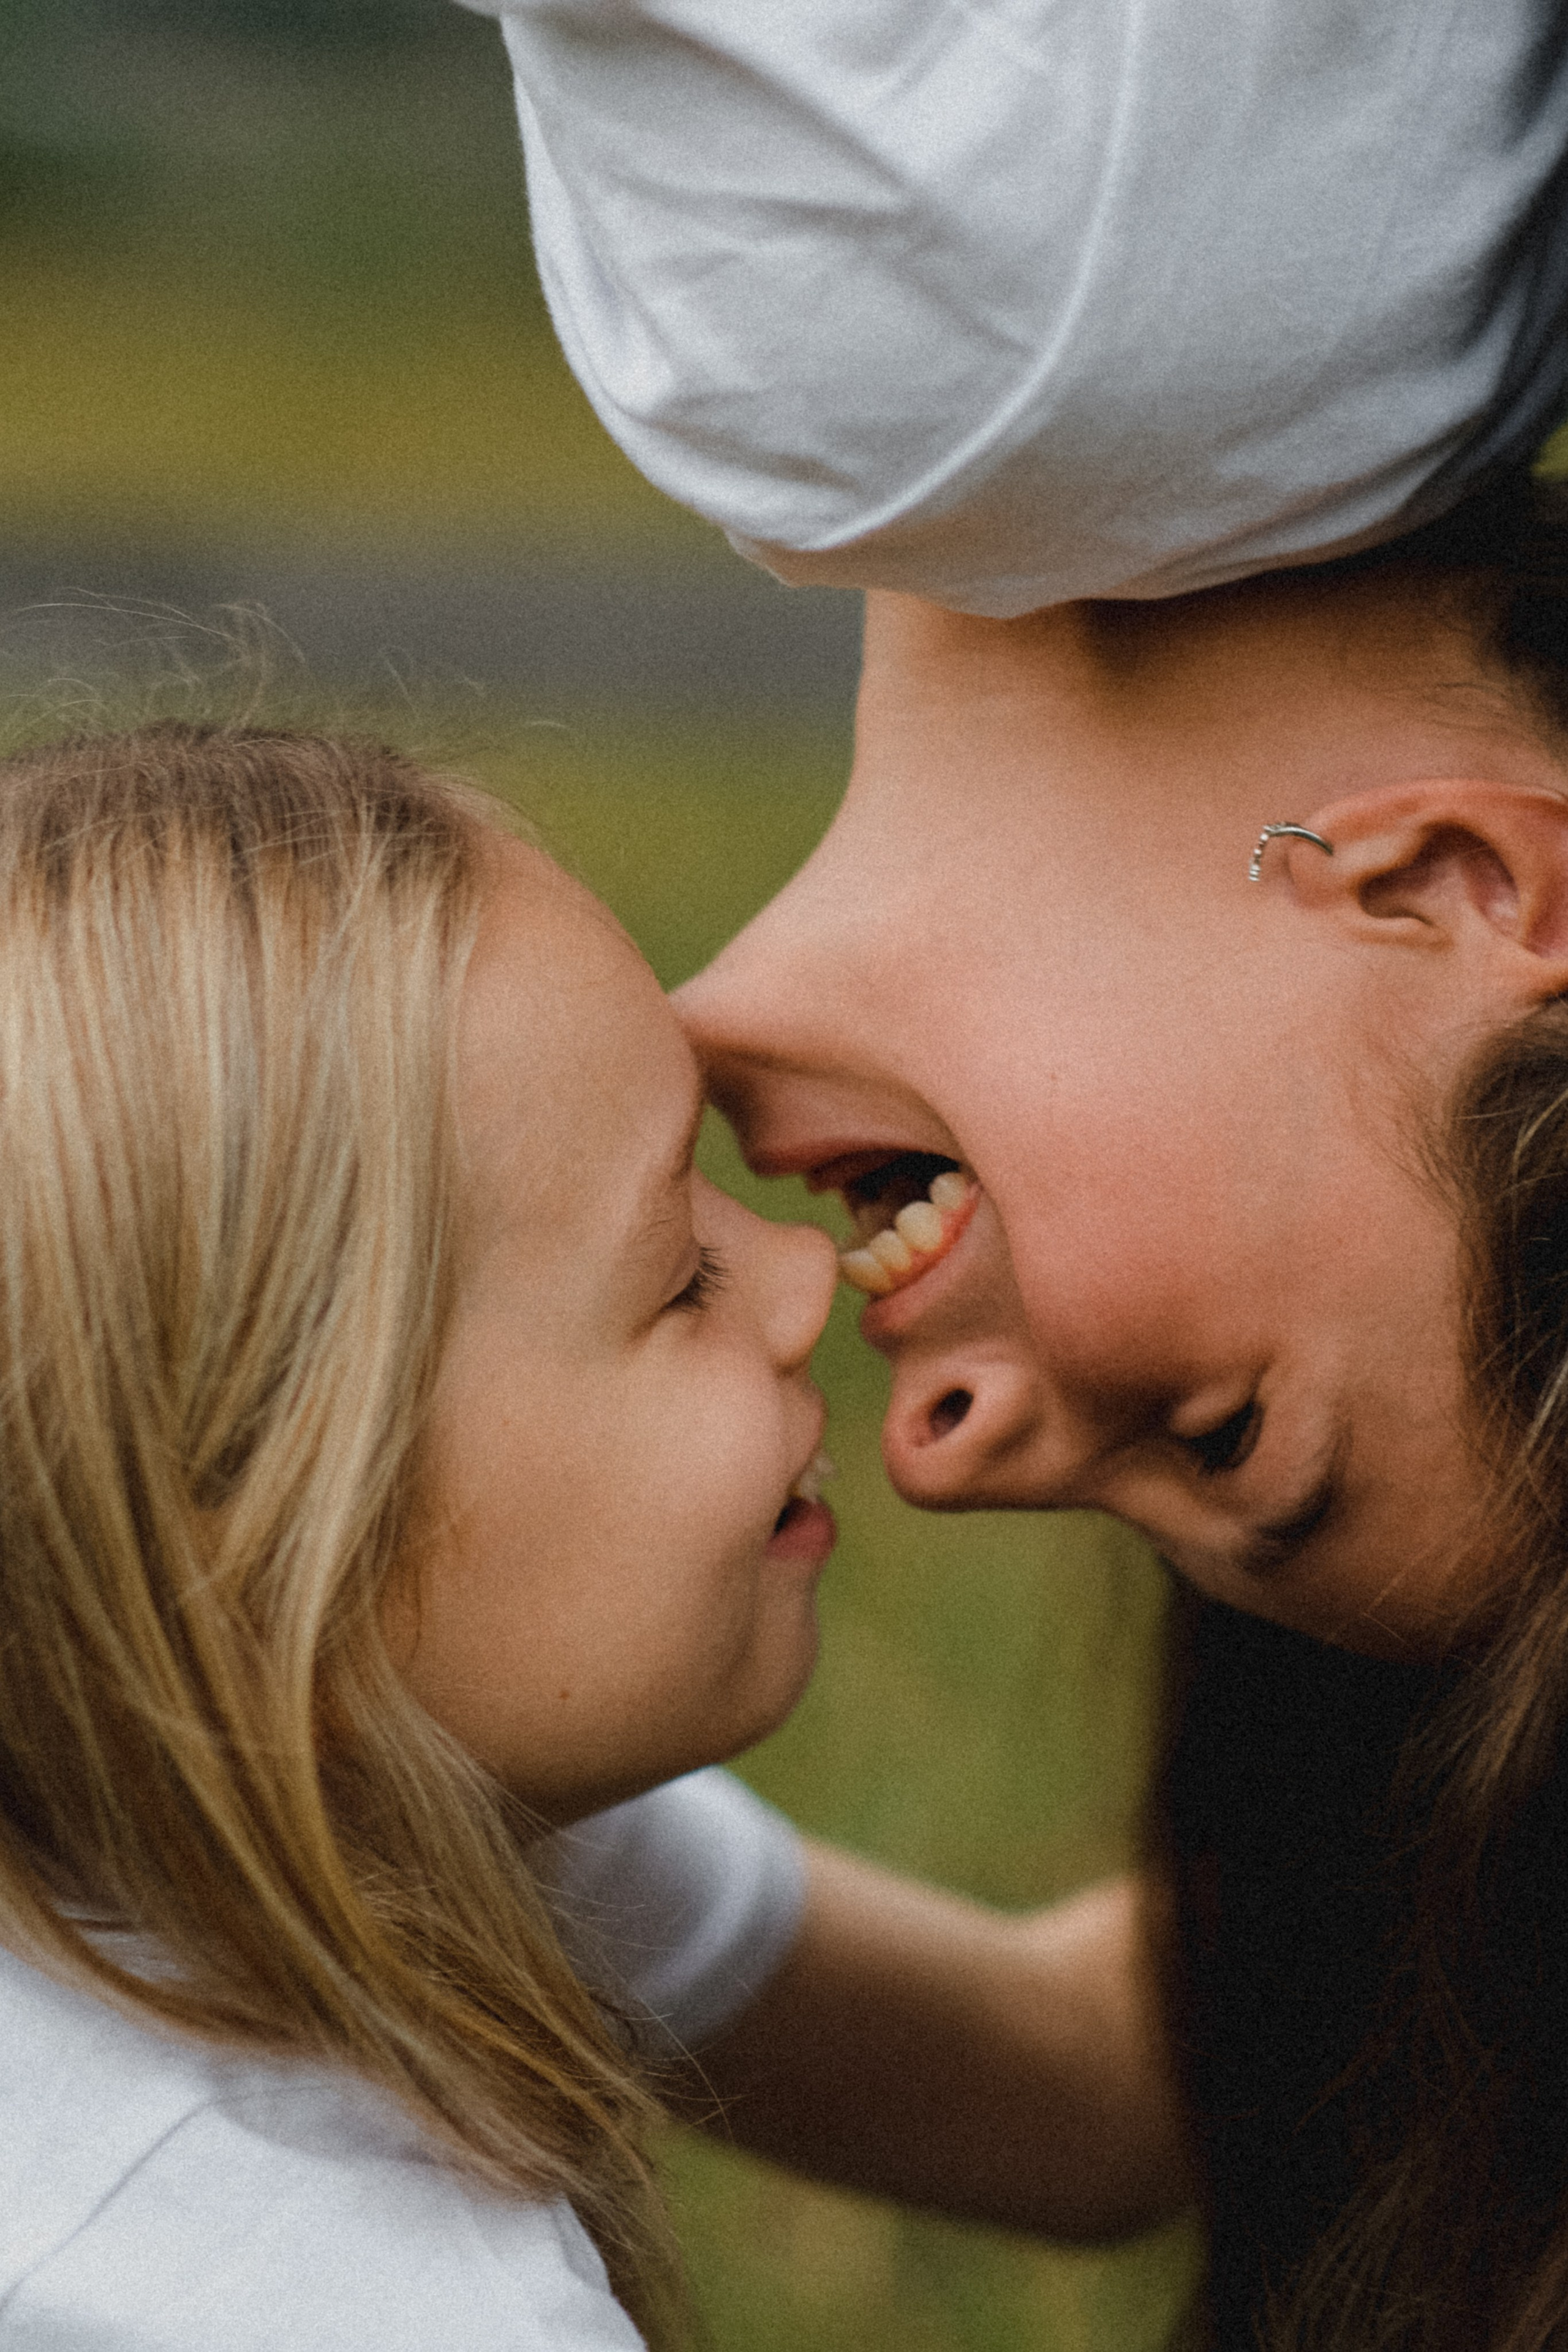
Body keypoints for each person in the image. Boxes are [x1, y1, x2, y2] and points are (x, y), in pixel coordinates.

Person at [0, 716, 850, 2351]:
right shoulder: (371, 2308)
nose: (807, 1285)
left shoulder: (305, 1794)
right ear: (270, 1584)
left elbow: (1081, 2092)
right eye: (678, 1276)